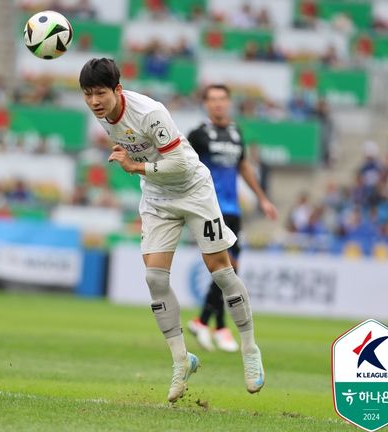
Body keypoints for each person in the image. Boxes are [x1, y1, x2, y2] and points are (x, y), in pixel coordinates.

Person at [79, 58, 265, 402]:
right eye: (88, 94)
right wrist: (133, 161)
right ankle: (182, 360)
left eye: (100, 93)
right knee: (154, 279)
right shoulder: (103, 115)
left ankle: (250, 349)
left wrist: (134, 165)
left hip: (193, 190)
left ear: (117, 90)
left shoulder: (150, 112)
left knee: (222, 272)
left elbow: (179, 161)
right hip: (156, 196)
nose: (93, 101)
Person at [186, 84, 278, 353]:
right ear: (206, 104)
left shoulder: (236, 132)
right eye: (212, 99)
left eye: (222, 99)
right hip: (209, 208)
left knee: (227, 269)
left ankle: (215, 325)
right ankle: (206, 322)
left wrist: (261, 197)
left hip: (233, 209)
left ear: (228, 102)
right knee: (227, 267)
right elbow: (183, 164)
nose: (218, 104)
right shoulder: (198, 134)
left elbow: (243, 166)